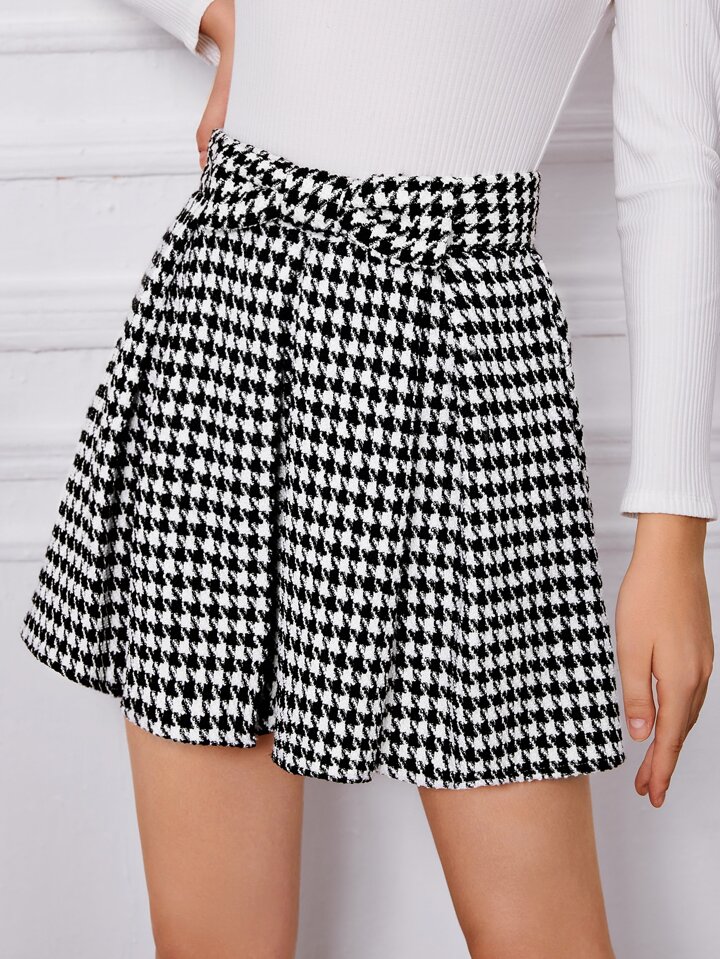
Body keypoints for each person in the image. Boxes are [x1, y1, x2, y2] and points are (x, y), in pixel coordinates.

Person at [20, 1, 718, 957]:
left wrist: (674, 534)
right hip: (235, 319)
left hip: (471, 368)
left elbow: (672, 161)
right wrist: (222, 17)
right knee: (212, 942)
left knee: (542, 934)